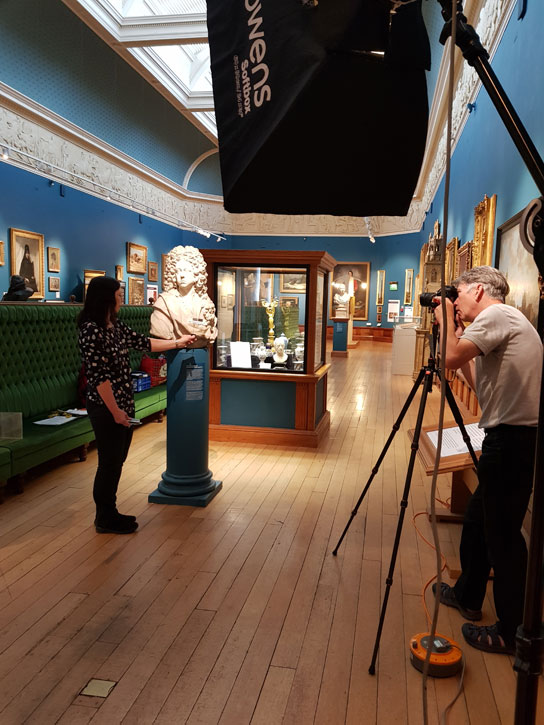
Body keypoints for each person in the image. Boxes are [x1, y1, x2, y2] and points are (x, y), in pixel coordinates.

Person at [433, 265, 542, 655]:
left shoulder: (496, 314)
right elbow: (482, 388)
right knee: (480, 519)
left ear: (478, 290)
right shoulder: (508, 321)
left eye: (458, 295)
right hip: (512, 438)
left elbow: (446, 360)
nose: (456, 303)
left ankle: (514, 632)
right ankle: (468, 595)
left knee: (503, 537)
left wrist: (446, 321)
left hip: (512, 441)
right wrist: (458, 341)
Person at [78, 276, 196, 535]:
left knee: (117, 461)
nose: (122, 298)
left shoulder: (114, 326)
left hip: (122, 404)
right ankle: (104, 517)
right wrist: (116, 412)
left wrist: (178, 342)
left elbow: (145, 343)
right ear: (106, 298)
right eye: (119, 295)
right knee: (108, 463)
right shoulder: (91, 330)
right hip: (107, 407)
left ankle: (110, 512)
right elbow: (99, 378)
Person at [150, 245, 217, 346]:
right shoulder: (164, 303)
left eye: (186, 270)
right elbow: (160, 331)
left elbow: (211, 332)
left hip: (201, 354)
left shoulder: (205, 303)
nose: (182, 275)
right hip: (176, 355)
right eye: (178, 271)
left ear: (196, 274)